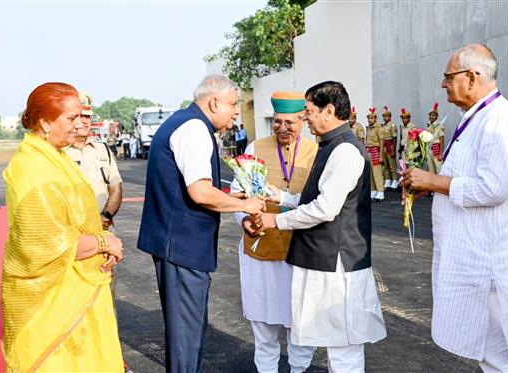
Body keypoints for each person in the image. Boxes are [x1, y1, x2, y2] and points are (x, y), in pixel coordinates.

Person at [403, 44, 508, 373]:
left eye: (448, 77)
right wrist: (427, 187)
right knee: (493, 357)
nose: (443, 84)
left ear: (472, 77)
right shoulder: (477, 119)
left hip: (487, 263)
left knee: (499, 358)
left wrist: (433, 182)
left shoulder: (499, 119)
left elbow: (494, 188)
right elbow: (467, 181)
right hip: (472, 257)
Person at [137, 74, 266, 373]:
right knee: (186, 335)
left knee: (186, 331)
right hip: (182, 246)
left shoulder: (184, 122)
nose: (236, 111)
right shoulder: (194, 129)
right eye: (233, 104)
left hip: (178, 243)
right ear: (213, 102)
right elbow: (200, 192)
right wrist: (245, 205)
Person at [260, 81, 386, 372]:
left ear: (329, 111)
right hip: (324, 260)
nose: (304, 118)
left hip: (337, 263)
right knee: (335, 344)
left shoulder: (345, 151)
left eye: (308, 111)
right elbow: (318, 198)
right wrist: (281, 197)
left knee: (343, 348)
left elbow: (325, 209)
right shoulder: (331, 145)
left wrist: (276, 219)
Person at [1, 82, 124, 372]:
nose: (78, 125)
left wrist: (102, 237)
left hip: (77, 294)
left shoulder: (54, 157)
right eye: (70, 118)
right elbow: (49, 244)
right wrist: (105, 242)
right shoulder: (32, 167)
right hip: (52, 304)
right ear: (44, 122)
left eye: (81, 117)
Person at [232, 91, 317, 373]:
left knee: (301, 322)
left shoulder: (317, 152)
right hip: (262, 249)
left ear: (303, 120)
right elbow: (237, 193)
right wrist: (244, 218)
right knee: (264, 323)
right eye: (277, 122)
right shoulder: (255, 148)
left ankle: (299, 369)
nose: (282, 128)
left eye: (289, 123)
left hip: (302, 251)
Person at [64, 92, 123, 231]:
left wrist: (105, 217)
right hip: (72, 231)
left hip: (104, 227)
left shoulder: (103, 149)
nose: (85, 121)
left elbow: (116, 188)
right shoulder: (59, 152)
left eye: (88, 116)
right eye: (80, 116)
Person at [365, 108, 385, 201]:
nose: (370, 120)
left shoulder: (379, 128)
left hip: (375, 152)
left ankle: (380, 191)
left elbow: (381, 141)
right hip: (369, 151)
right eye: (369, 118)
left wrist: (381, 156)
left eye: (372, 118)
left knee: (377, 173)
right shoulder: (368, 128)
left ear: (375, 119)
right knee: (371, 173)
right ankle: (373, 190)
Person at [381, 106, 398, 190]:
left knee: (392, 165)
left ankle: (394, 180)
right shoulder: (382, 126)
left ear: (390, 117)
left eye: (387, 116)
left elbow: (394, 138)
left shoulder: (392, 125)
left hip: (390, 146)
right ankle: (388, 180)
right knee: (385, 165)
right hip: (384, 146)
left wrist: (394, 150)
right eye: (384, 116)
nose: (385, 118)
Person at [426, 102, 444, 174]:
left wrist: (441, 154)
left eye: (433, 115)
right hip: (430, 150)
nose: (431, 117)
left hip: (437, 150)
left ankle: (440, 184)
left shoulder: (439, 126)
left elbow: (442, 139)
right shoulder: (429, 127)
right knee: (431, 170)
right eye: (430, 115)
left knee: (439, 169)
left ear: (437, 116)